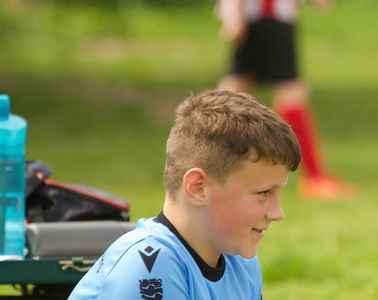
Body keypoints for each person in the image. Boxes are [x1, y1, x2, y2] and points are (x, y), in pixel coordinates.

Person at [69, 90, 301, 299]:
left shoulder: (239, 260)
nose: (277, 212)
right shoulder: (149, 266)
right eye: (263, 193)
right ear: (198, 187)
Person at [216, 0, 354, 200]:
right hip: (265, 19)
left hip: (271, 19)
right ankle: (314, 178)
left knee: (236, 90)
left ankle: (216, 170)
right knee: (287, 93)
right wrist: (234, 14)